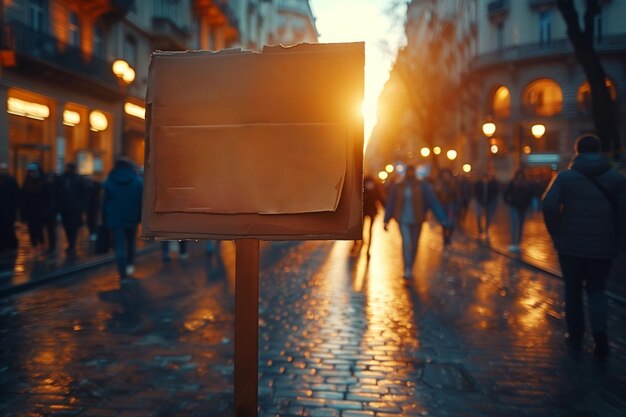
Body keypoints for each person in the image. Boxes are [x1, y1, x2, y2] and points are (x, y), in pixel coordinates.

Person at [542, 134, 626, 360]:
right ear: (599, 151)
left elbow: (549, 205)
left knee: (573, 290)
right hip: (603, 247)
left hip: (570, 247)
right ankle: (601, 339)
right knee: (598, 291)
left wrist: (557, 232)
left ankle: (576, 335)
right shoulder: (616, 179)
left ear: (577, 151)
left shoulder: (565, 178)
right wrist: (618, 242)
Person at [383, 165, 448, 278]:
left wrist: (442, 219)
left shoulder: (423, 186)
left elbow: (433, 202)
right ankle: (407, 268)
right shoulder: (398, 186)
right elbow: (391, 203)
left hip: (417, 219)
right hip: (402, 219)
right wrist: (386, 219)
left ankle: (410, 266)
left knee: (414, 244)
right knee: (406, 242)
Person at [103, 158, 143, 280]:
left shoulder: (109, 181)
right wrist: (141, 218)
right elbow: (142, 202)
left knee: (119, 246)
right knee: (131, 243)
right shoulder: (137, 181)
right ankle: (130, 265)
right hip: (132, 218)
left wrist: (104, 219)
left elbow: (104, 203)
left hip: (116, 219)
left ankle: (122, 275)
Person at [20, 162, 51, 259]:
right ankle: (35, 247)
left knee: (39, 230)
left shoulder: (43, 182)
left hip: (40, 211)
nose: (31, 173)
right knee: (31, 230)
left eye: (33, 171)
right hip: (30, 211)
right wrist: (23, 213)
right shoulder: (27, 182)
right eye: (30, 172)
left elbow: (48, 198)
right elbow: (23, 198)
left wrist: (46, 210)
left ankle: (41, 247)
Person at [352, 175, 385, 256]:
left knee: (359, 229)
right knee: (370, 230)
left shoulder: (361, 184)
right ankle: (368, 249)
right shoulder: (375, 186)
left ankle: (359, 243)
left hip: (363, 210)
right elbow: (380, 197)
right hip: (372, 211)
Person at [58, 162, 86, 258]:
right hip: (65, 208)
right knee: (66, 227)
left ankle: (71, 245)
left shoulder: (78, 179)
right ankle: (70, 244)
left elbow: (83, 194)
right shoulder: (63, 178)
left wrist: (81, 206)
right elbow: (59, 192)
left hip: (75, 209)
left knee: (73, 227)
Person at [503, 170, 533, 252]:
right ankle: (513, 243)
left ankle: (518, 243)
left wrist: (527, 204)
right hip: (514, 207)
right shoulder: (512, 183)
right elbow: (505, 194)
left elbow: (530, 195)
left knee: (520, 226)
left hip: (523, 207)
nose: (520, 178)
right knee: (514, 225)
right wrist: (510, 203)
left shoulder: (526, 184)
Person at [434, 169, 460, 246]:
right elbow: (436, 195)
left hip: (452, 206)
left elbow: (457, 195)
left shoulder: (453, 184)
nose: (446, 177)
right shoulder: (440, 185)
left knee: (452, 224)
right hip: (443, 206)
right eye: (444, 176)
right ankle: (445, 239)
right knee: (444, 224)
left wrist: (458, 205)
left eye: (447, 175)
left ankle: (448, 237)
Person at [0, 163, 19, 255]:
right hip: (5, 208)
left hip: (8, 209)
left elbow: (16, 195)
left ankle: (10, 246)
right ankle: (5, 246)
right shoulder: (11, 180)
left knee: (8, 228)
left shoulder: (11, 180)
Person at [473, 171, 499, 239]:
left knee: (488, 216)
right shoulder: (478, 184)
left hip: (488, 202)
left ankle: (486, 229)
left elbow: (495, 192)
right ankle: (480, 229)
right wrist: (479, 200)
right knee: (479, 215)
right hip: (480, 201)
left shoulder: (491, 184)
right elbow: (476, 192)